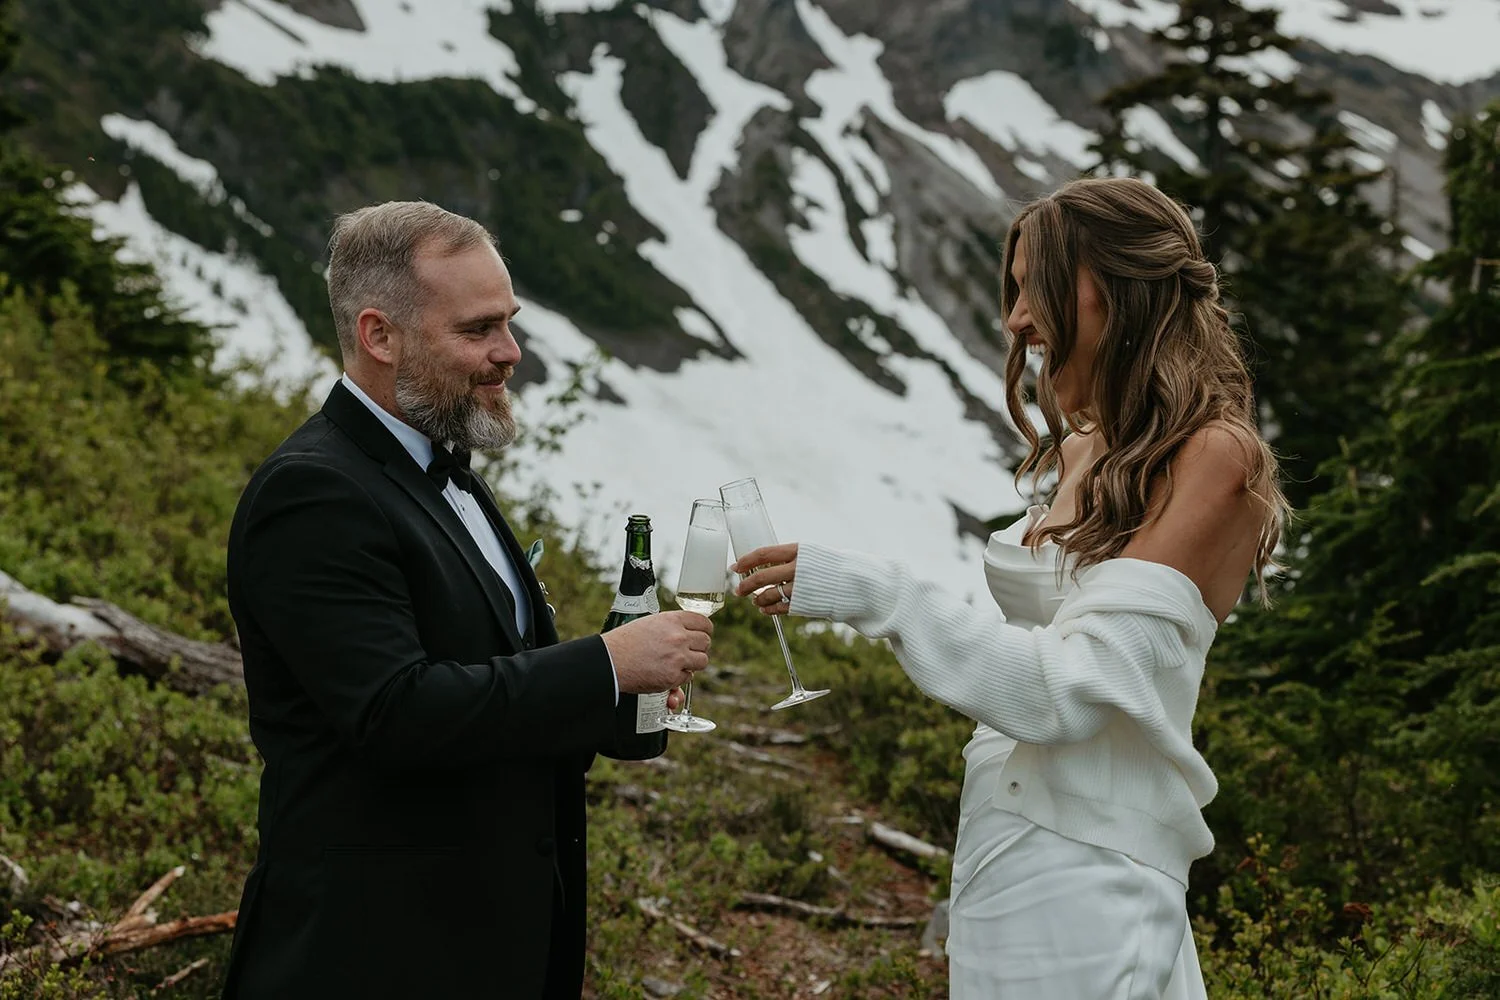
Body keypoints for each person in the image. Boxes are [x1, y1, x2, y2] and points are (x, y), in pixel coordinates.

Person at [733, 177, 1288, 999]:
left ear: (1114, 286)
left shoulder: (1212, 457)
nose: (1018, 318)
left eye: (1038, 287)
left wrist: (877, 593)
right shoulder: (1077, 453)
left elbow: (1071, 691)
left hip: (1095, 865)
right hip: (1000, 839)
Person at [220, 201, 712, 1000]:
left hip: (483, 949)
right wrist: (601, 665)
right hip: (369, 955)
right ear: (380, 336)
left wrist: (621, 698)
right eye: (478, 330)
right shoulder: (313, 494)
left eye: (510, 323)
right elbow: (392, 712)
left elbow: (487, 680)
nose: (510, 352)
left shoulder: (446, 472)